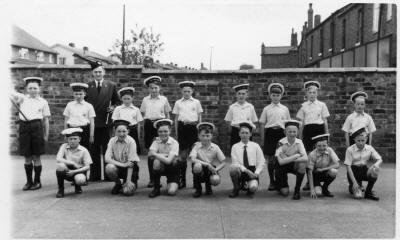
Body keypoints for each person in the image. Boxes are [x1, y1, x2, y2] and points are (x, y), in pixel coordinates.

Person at [11, 77, 50, 191]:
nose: (33, 90)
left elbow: (46, 120)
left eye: (35, 88)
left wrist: (46, 135)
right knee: (27, 157)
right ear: (27, 89)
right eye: (30, 88)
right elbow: (12, 93)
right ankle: (29, 181)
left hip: (37, 127)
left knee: (36, 156)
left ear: (39, 89)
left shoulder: (43, 102)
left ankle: (37, 181)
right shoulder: (22, 99)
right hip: (24, 127)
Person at [85, 60, 120, 181]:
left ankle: (108, 174)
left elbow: (117, 101)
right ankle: (95, 175)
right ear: (92, 73)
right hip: (93, 123)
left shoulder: (111, 85)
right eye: (95, 72)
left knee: (107, 148)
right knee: (93, 149)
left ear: (104, 72)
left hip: (106, 122)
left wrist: (113, 107)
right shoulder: (87, 86)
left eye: (100, 72)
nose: (98, 74)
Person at [296, 81, 330, 191]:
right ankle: (308, 181)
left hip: (319, 130)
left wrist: (326, 135)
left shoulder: (322, 105)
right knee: (309, 157)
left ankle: (317, 181)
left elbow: (325, 121)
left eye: (314, 92)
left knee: (318, 156)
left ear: (317, 93)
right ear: (306, 94)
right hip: (308, 131)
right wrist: (300, 138)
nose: (312, 94)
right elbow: (301, 123)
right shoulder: (303, 106)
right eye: (310, 92)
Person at [140, 76, 172, 188]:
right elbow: (143, 114)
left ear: (160, 88)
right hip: (149, 125)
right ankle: (152, 179)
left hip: (161, 124)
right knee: (151, 153)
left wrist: (167, 126)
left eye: (156, 88)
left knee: (163, 149)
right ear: (148, 89)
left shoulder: (164, 99)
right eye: (151, 88)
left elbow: (168, 114)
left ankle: (169, 178)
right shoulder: (145, 100)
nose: (154, 90)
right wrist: (144, 129)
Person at [259, 82, 290, 191]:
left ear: (281, 95)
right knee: (271, 160)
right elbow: (262, 124)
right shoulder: (266, 109)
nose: (275, 97)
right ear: (270, 96)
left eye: (278, 95)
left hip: (281, 134)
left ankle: (280, 181)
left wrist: (288, 138)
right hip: (270, 134)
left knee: (281, 158)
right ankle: (272, 181)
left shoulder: (285, 109)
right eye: (273, 95)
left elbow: (288, 124)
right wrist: (263, 139)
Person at [173, 80, 203, 189]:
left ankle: (196, 180)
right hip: (182, 128)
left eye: (188, 91)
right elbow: (176, 118)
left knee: (195, 153)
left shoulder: (196, 102)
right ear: (181, 91)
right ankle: (182, 180)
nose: (186, 93)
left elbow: (199, 117)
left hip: (193, 128)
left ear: (192, 91)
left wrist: (199, 131)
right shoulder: (178, 102)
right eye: (184, 91)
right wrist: (176, 132)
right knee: (183, 155)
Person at [344, 127, 382, 201]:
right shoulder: (350, 149)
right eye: (358, 140)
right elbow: (348, 167)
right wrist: (354, 183)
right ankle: (354, 185)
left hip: (364, 169)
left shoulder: (369, 148)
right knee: (358, 196)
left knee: (375, 170)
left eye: (363, 140)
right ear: (354, 140)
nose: (361, 143)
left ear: (366, 140)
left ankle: (368, 192)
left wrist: (375, 165)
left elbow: (380, 159)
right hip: (353, 171)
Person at [229, 122, 265, 198]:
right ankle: (236, 188)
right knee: (232, 168)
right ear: (239, 134)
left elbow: (261, 161)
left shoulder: (255, 146)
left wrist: (256, 173)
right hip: (241, 170)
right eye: (242, 133)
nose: (244, 135)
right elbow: (235, 162)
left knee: (253, 188)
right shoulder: (235, 147)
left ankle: (249, 186)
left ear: (250, 134)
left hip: (252, 170)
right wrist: (246, 171)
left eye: (246, 133)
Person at [189, 122, 226, 198]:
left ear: (211, 136)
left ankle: (208, 187)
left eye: (207, 136)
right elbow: (193, 159)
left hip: (210, 169)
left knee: (216, 180)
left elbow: (223, 162)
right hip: (200, 167)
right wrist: (207, 164)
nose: (205, 138)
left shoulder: (215, 147)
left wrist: (216, 169)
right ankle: (198, 189)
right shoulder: (196, 146)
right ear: (199, 136)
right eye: (202, 135)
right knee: (197, 166)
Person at [105, 119, 140, 196]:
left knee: (127, 192)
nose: (121, 134)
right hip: (119, 167)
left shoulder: (131, 141)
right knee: (109, 167)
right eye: (119, 131)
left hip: (131, 169)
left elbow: (131, 163)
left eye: (124, 131)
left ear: (128, 131)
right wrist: (123, 165)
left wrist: (128, 182)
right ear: (115, 131)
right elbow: (107, 158)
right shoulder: (112, 141)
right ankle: (118, 183)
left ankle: (127, 181)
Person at [275, 120, 308, 200]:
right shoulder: (280, 143)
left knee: (302, 165)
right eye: (289, 131)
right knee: (285, 192)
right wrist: (296, 156)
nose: (292, 134)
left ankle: (297, 190)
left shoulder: (299, 142)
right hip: (281, 168)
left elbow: (305, 158)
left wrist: (287, 158)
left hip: (293, 165)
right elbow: (281, 162)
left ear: (297, 132)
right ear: (285, 132)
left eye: (294, 131)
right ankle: (279, 185)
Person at [55, 128, 92, 198]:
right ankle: (61, 190)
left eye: (75, 139)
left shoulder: (84, 150)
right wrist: (72, 163)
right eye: (70, 139)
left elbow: (87, 167)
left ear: (79, 139)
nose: (73, 141)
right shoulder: (64, 146)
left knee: (80, 180)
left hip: (79, 170)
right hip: (67, 170)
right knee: (60, 166)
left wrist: (74, 171)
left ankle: (78, 186)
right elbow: (58, 158)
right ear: (67, 140)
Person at [147, 119, 179, 198]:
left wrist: (155, 154)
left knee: (171, 192)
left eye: (165, 131)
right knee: (156, 162)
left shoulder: (174, 143)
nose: (163, 133)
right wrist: (166, 155)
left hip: (172, 169)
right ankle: (156, 188)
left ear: (170, 131)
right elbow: (149, 155)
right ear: (157, 132)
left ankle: (171, 183)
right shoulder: (156, 142)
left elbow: (168, 161)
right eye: (160, 131)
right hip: (160, 167)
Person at [224, 83, 258, 148]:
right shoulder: (232, 107)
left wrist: (249, 130)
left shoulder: (250, 107)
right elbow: (228, 121)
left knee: (248, 149)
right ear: (236, 95)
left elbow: (254, 121)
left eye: (243, 94)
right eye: (239, 93)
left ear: (246, 95)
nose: (241, 96)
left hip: (247, 132)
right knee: (235, 150)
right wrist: (234, 130)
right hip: (236, 131)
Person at [63, 83, 95, 150]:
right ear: (73, 94)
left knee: (84, 150)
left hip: (84, 131)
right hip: (71, 130)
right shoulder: (69, 105)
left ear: (84, 94)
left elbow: (92, 122)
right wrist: (66, 134)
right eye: (76, 94)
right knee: (71, 150)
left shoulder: (89, 106)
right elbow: (66, 120)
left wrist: (91, 135)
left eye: (80, 94)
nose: (78, 96)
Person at [112, 87, 143, 155]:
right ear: (121, 99)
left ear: (132, 98)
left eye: (128, 99)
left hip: (132, 131)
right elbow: (114, 123)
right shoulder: (118, 109)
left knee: (133, 150)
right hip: (121, 132)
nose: (126, 101)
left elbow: (138, 124)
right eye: (124, 99)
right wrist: (115, 134)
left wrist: (138, 135)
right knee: (121, 150)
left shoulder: (136, 109)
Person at [307, 134, 340, 199]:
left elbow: (337, 165)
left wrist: (323, 169)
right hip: (315, 175)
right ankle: (315, 186)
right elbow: (309, 172)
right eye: (319, 146)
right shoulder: (312, 154)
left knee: (334, 171)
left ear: (327, 145)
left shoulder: (330, 150)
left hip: (325, 172)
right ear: (315, 145)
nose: (322, 148)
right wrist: (312, 190)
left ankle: (325, 188)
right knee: (318, 193)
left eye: (324, 145)